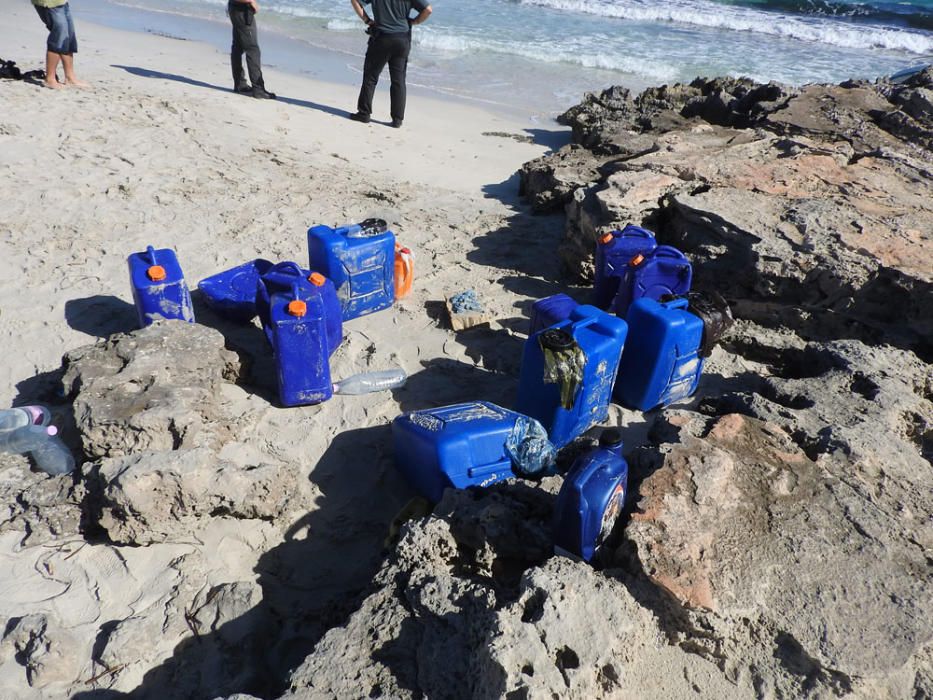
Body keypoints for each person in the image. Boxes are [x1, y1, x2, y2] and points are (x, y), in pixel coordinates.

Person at [349, 0, 432, 128]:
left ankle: (364, 113)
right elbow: (428, 10)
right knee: (398, 80)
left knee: (370, 77)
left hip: (382, 38)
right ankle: (397, 119)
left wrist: (367, 20)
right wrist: (413, 22)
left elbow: (354, 1)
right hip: (402, 39)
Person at [32, 0, 86, 89]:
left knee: (68, 35)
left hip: (61, 3)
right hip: (49, 4)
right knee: (58, 37)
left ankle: (70, 77)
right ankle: (50, 79)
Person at [228, 0, 276, 99]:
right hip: (241, 11)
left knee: (238, 47)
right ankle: (258, 89)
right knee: (253, 50)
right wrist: (251, 1)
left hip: (238, 9)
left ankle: (240, 84)